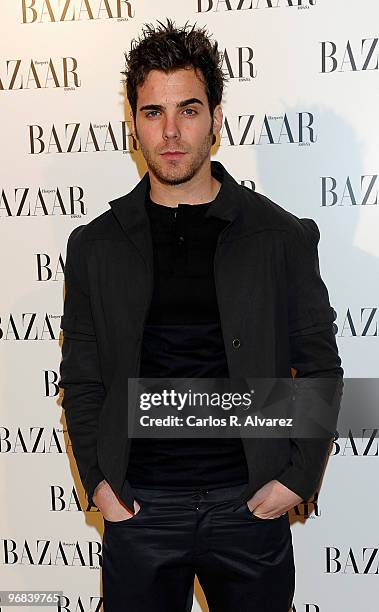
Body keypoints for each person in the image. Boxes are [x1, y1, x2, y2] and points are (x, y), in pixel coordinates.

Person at [59, 18, 343, 612]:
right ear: (132, 124)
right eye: (152, 112)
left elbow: (318, 364)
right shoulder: (95, 246)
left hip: (248, 506)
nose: (170, 132)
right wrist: (100, 485)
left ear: (216, 118)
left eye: (188, 110)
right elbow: (83, 380)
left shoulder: (280, 237)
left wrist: (297, 476)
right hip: (139, 512)